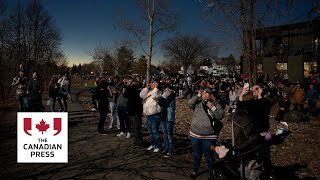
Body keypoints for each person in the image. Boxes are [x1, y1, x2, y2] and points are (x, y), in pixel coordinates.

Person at [237, 84, 274, 179]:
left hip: (263, 132)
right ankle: (252, 173)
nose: (254, 91)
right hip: (251, 133)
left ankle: (267, 173)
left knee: (264, 154)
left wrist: (260, 94)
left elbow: (265, 107)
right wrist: (242, 94)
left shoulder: (265, 102)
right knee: (251, 153)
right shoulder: (251, 102)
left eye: (256, 89)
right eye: (253, 90)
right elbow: (240, 107)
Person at [188, 88, 224, 179]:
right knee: (196, 154)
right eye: (203, 92)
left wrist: (212, 107)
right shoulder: (198, 103)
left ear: (211, 95)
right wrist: (198, 96)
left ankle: (212, 174)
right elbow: (189, 104)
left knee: (209, 156)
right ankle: (194, 170)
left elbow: (220, 116)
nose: (204, 93)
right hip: (195, 134)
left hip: (209, 136)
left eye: (206, 92)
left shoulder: (216, 104)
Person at [140, 79, 162, 153]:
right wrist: (146, 88)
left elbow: (154, 97)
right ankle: (152, 144)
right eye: (152, 83)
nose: (152, 84)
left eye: (154, 83)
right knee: (150, 131)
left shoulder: (159, 92)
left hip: (155, 114)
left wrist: (156, 87)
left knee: (155, 131)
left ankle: (157, 146)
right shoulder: (149, 91)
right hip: (148, 114)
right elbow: (141, 95)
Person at [124, 77, 144, 148]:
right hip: (134, 110)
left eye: (130, 82)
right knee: (136, 127)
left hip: (135, 110)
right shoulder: (137, 88)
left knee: (136, 127)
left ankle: (139, 142)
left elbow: (125, 94)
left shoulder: (134, 89)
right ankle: (138, 141)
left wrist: (128, 86)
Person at [158, 85, 176, 157]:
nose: (166, 91)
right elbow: (159, 103)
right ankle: (165, 149)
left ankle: (170, 150)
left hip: (169, 118)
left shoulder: (172, 97)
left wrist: (164, 97)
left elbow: (164, 104)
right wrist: (163, 96)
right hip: (164, 117)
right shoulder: (166, 97)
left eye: (168, 90)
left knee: (169, 135)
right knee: (165, 135)